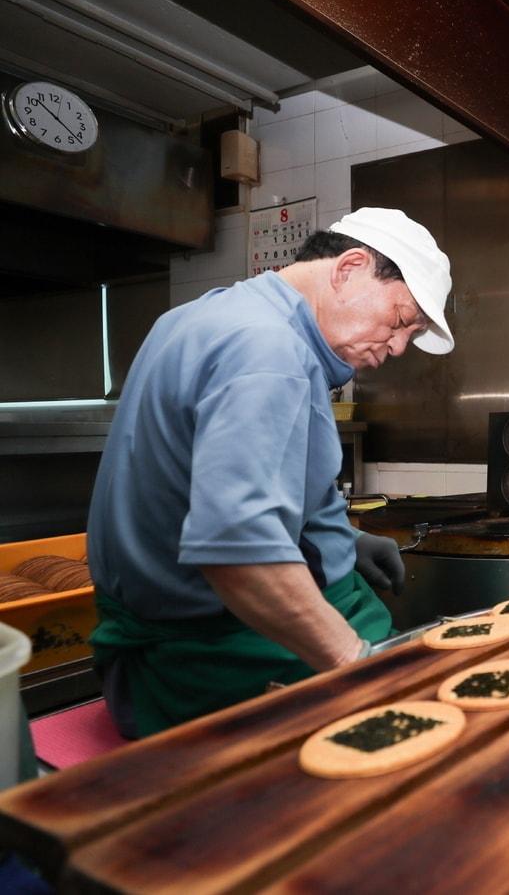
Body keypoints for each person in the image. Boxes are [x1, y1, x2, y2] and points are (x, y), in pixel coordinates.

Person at [86, 207, 454, 737]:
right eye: (401, 321)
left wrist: (344, 542)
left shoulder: (204, 317)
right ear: (349, 267)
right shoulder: (269, 351)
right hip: (214, 654)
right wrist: (358, 665)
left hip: (208, 633)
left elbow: (203, 484)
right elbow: (241, 555)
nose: (397, 348)